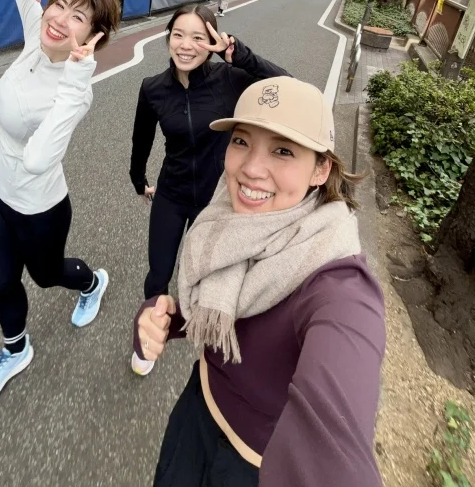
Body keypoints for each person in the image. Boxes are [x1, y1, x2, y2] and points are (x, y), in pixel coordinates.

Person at [134, 76, 385, 486]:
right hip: (194, 415)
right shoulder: (224, 220)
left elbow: (336, 445)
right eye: (241, 141)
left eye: (283, 150)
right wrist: (162, 318)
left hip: (256, 468)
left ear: (321, 169)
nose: (251, 168)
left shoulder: (341, 290)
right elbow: (226, 318)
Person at [0, 0, 121, 405]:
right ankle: (16, 350)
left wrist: (77, 77)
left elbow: (36, 160)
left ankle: (92, 283)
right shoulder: (41, 37)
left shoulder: (74, 90)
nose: (59, 19)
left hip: (40, 208)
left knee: (48, 276)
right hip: (1, 193)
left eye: (78, 17)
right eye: (60, 5)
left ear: (94, 38)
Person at [129, 4, 290, 376]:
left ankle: (214, 338)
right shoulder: (153, 88)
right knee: (158, 275)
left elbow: (286, 84)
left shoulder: (231, 79)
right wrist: (139, 180)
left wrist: (239, 54)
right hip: (171, 191)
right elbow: (141, 141)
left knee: (210, 274)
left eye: (199, 37)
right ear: (168, 37)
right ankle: (149, 339)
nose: (186, 45)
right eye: (178, 35)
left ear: (214, 41)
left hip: (218, 199)